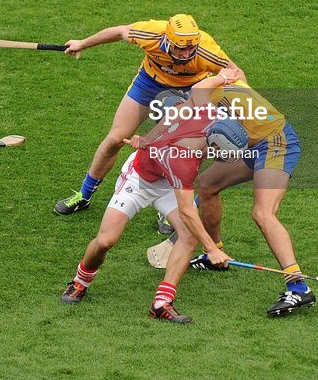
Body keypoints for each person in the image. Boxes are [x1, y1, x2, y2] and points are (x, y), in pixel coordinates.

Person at [60, 68, 249, 324]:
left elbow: (198, 89)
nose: (224, 160)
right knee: (106, 241)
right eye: (223, 154)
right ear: (214, 142)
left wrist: (224, 77)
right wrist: (212, 248)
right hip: (140, 180)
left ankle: (162, 302)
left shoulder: (210, 114)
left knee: (187, 235)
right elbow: (187, 210)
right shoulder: (185, 161)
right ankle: (80, 281)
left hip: (167, 183)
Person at [54, 14, 245, 236]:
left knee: (181, 151)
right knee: (115, 139)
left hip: (188, 91)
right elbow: (119, 30)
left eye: (190, 47)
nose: (186, 53)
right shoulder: (151, 33)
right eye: (180, 48)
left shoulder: (206, 51)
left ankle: (169, 208)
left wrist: (238, 109)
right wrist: (82, 43)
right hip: (149, 83)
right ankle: (84, 195)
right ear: (167, 40)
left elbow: (237, 73)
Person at [182, 74, 314, 316]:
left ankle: (298, 286)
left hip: (277, 142)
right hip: (252, 145)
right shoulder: (223, 85)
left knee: (263, 213)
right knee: (208, 184)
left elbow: (212, 144)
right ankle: (215, 253)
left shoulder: (201, 96)